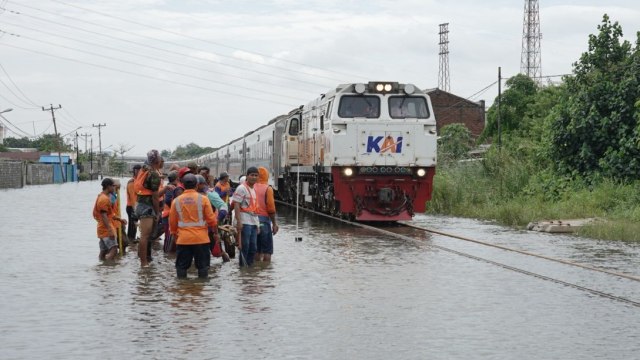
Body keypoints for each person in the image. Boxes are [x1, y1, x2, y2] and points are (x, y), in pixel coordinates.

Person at [169, 173, 218, 279]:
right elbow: (212, 220)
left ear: (182, 185)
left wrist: (174, 234)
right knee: (203, 267)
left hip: (183, 239)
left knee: (181, 268)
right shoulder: (204, 199)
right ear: (196, 185)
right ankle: (201, 291)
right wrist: (215, 233)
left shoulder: (176, 201)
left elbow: (172, 222)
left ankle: (183, 289)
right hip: (201, 239)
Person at [134, 149, 165, 267]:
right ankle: (144, 263)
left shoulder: (144, 169)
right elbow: (155, 197)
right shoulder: (154, 175)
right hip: (147, 207)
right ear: (157, 161)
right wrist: (157, 213)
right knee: (145, 236)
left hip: (139, 204)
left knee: (144, 235)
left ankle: (143, 259)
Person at [93, 178, 127, 260]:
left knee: (103, 251)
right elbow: (104, 216)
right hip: (106, 228)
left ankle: (102, 267)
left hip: (102, 228)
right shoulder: (104, 199)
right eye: (112, 186)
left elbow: (110, 214)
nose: (114, 188)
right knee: (114, 249)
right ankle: (109, 268)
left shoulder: (104, 197)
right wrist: (110, 230)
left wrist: (120, 219)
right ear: (108, 187)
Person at [232, 167, 260, 267]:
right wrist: (239, 221)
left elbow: (254, 208)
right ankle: (243, 268)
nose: (254, 177)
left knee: (253, 248)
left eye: (256, 175)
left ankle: (249, 270)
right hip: (245, 222)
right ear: (247, 176)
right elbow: (236, 205)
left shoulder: (254, 189)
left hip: (253, 222)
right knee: (245, 246)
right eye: (252, 175)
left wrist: (257, 225)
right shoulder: (241, 188)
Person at [255, 167, 279, 262]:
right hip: (264, 222)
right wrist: (274, 224)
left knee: (256, 250)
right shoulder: (268, 189)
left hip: (252, 221)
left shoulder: (250, 187)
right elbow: (271, 209)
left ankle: (255, 269)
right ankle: (266, 271)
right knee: (267, 251)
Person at [126, 164, 142, 242]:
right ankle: (131, 241)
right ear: (134, 171)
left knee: (134, 225)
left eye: (140, 170)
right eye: (137, 170)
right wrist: (135, 210)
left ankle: (132, 241)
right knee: (132, 226)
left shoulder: (139, 181)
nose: (139, 172)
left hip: (137, 206)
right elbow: (133, 198)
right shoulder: (132, 182)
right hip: (132, 207)